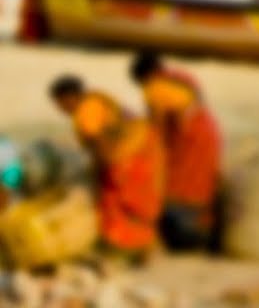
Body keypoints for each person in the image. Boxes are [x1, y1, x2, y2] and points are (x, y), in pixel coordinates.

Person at [49, 76, 164, 261]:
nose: (59, 109)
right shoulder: (96, 101)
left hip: (127, 154)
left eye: (58, 103)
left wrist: (101, 172)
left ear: (67, 97)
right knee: (142, 201)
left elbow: (99, 143)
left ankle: (124, 247)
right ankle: (147, 245)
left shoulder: (86, 111)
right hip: (144, 146)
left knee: (115, 202)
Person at [129, 52, 221, 250]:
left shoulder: (154, 87)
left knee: (176, 184)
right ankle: (203, 230)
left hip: (188, 138)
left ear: (144, 76)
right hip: (209, 130)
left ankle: (183, 233)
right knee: (202, 181)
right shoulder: (181, 77)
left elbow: (156, 130)